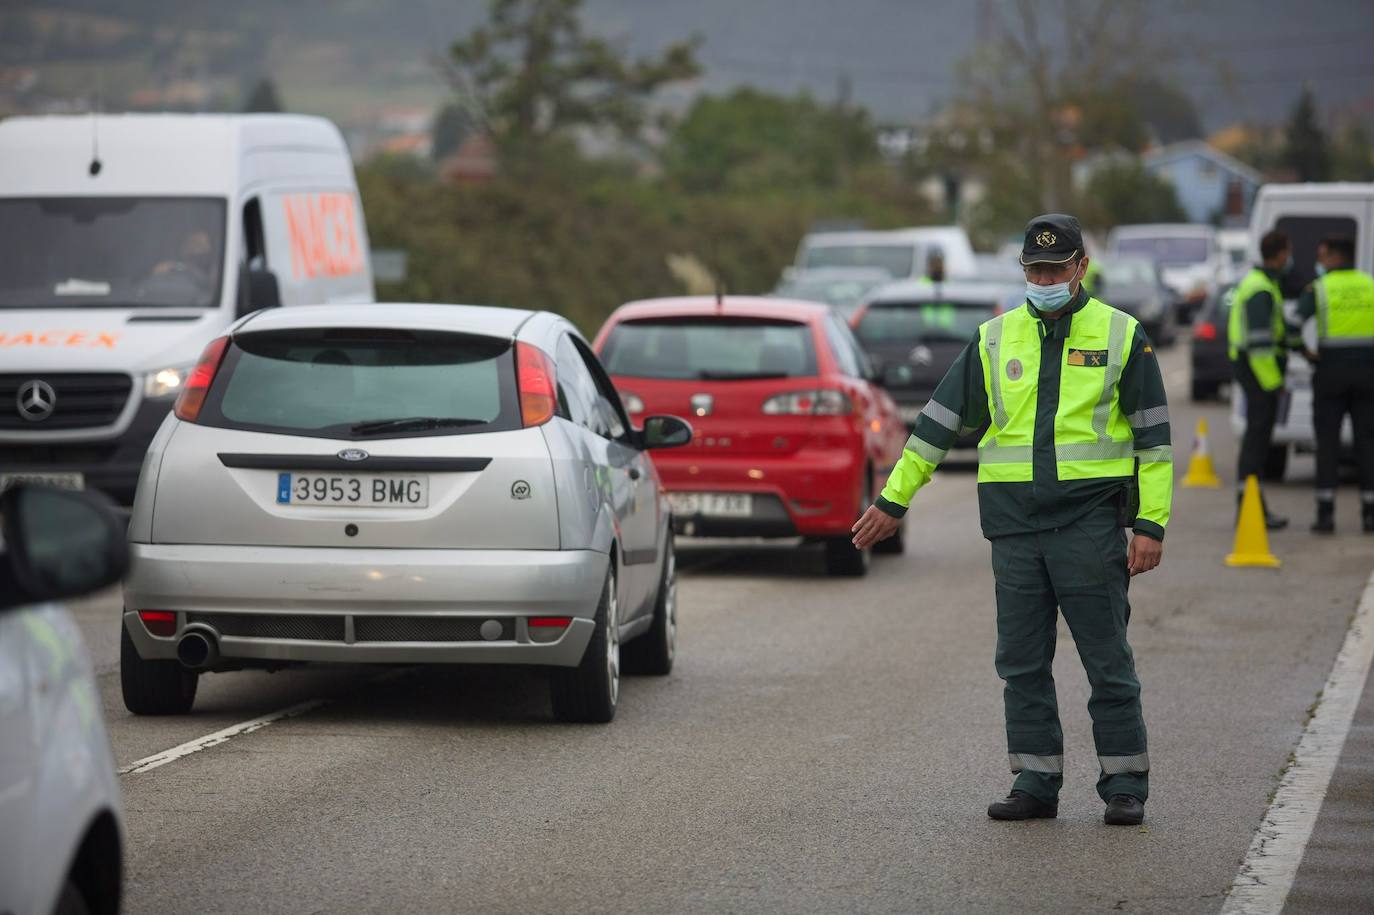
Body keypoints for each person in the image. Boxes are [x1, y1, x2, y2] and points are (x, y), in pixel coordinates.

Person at [852, 214, 1171, 826]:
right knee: (1021, 662)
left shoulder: (1124, 335)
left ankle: (1125, 781)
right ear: (1022, 271)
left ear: (1081, 268)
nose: (1045, 279)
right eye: (1034, 270)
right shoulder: (993, 339)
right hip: (1016, 529)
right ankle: (1035, 780)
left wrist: (1150, 525)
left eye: (1055, 268)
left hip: (1088, 525)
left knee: (1106, 659)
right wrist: (893, 501)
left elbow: (1155, 443)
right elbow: (935, 428)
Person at [1296, 235, 1374, 533]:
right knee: (1367, 442)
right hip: (1368, 373)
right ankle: (1370, 514)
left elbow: (1293, 328)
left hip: (1330, 373)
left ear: (1332, 257)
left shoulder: (1319, 288)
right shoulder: (1370, 285)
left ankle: (1326, 515)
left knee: (1327, 442)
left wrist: (1307, 354)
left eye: (1322, 255)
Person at [1227, 230, 1293, 530]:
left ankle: (1253, 506)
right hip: (1258, 376)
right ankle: (1250, 508)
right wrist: (1273, 383)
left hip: (1253, 374)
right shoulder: (1261, 289)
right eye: (1287, 253)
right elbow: (1261, 347)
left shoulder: (1260, 284)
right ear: (1280, 254)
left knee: (1256, 442)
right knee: (1256, 443)